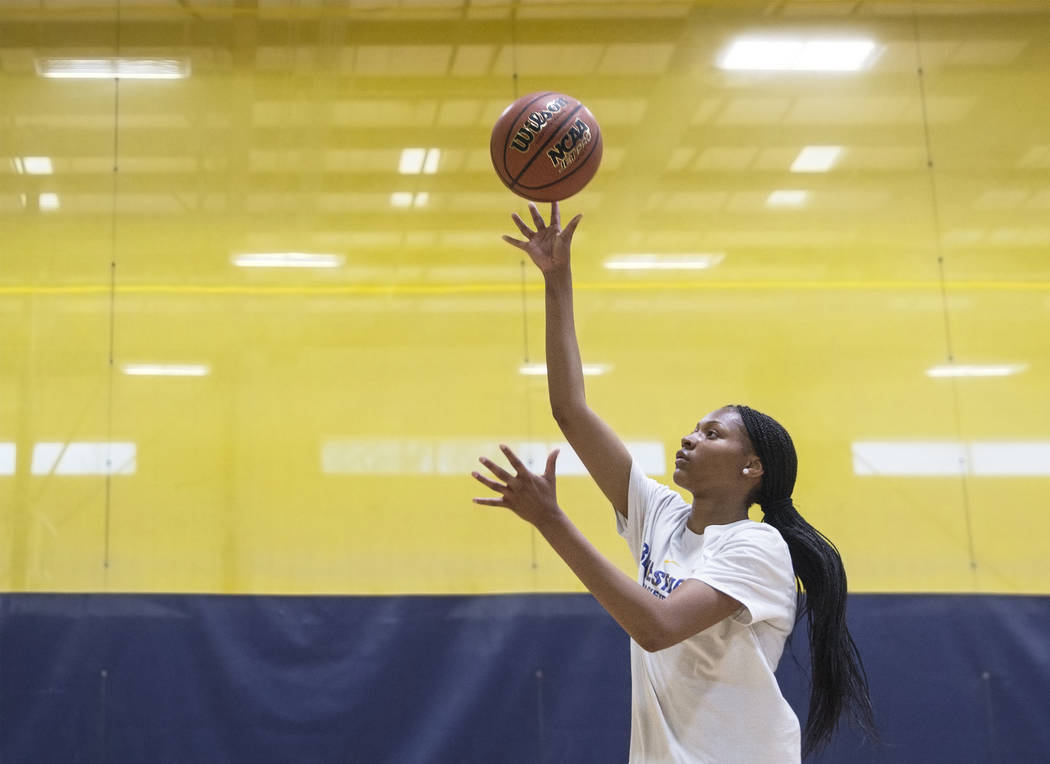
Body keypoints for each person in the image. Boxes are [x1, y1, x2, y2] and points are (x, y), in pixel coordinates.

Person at [471, 202, 877, 763]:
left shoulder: (757, 547)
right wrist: (557, 280)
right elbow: (570, 409)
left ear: (751, 468)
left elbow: (658, 626)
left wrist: (553, 521)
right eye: (693, 427)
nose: (689, 438)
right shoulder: (659, 514)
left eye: (712, 433)